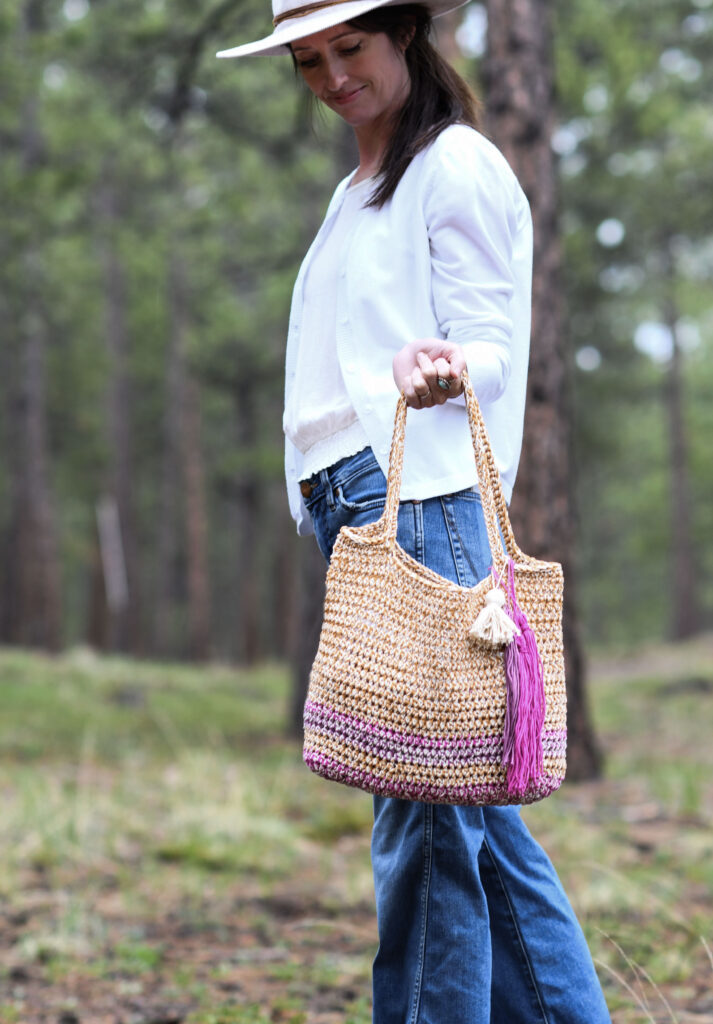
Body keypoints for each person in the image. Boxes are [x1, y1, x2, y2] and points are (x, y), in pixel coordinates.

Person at [218, 3, 611, 1022]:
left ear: (403, 36)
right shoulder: (362, 185)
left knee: (429, 827)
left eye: (349, 47)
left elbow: (486, 332)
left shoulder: (454, 164)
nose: (330, 75)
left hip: (422, 501)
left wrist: (441, 366)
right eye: (308, 59)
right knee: (468, 820)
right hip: (361, 504)